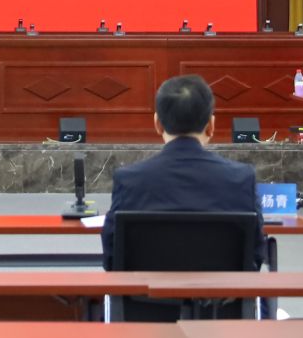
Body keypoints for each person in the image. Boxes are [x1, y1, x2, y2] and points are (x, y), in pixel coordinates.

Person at [101, 75, 264, 272]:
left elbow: (112, 258)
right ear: (211, 126)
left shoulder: (128, 179)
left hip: (147, 293)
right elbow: (255, 255)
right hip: (223, 292)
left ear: (157, 124)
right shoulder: (242, 178)